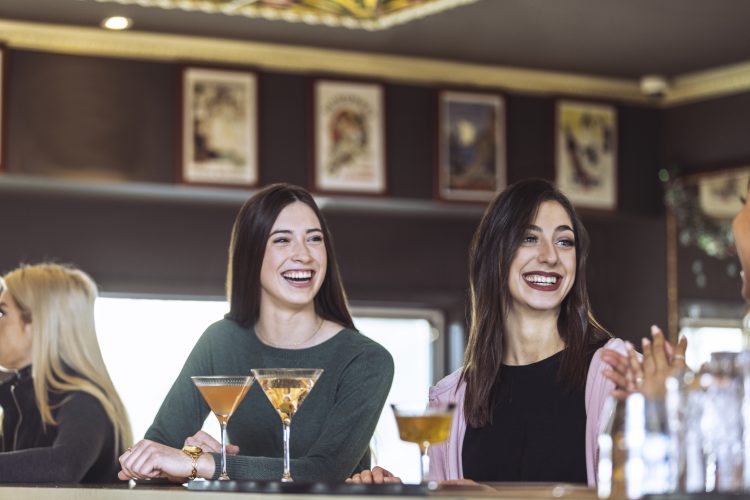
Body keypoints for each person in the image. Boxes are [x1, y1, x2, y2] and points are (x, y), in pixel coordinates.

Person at [350, 178, 628, 486]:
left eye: (565, 242)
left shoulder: (618, 373)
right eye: (528, 238)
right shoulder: (450, 398)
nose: (551, 256)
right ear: (494, 255)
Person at [118, 183, 394, 482]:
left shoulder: (365, 360)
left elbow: (324, 471)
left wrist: (207, 464)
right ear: (251, 253)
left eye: (315, 239)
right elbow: (156, 454)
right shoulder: (221, 342)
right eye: (282, 240)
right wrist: (190, 455)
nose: (303, 255)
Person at [0, 263, 132, 483]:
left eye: (1, 312)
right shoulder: (20, 401)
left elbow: (64, 465)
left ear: (39, 323)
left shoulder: (84, 400)